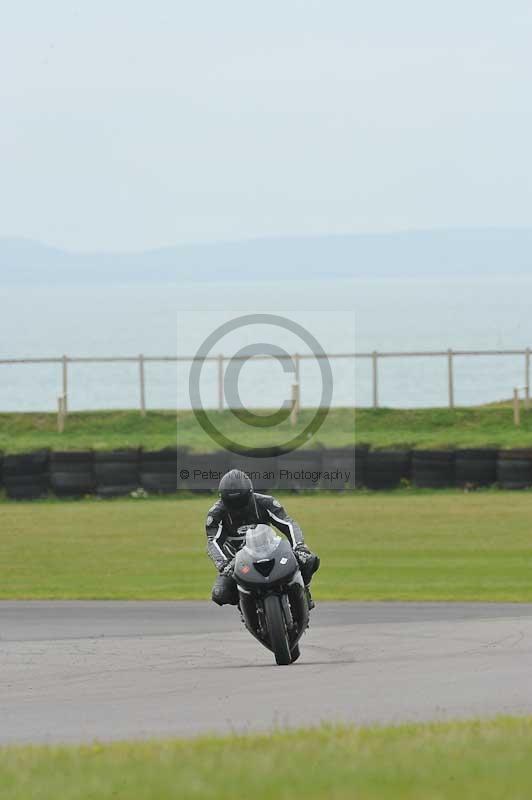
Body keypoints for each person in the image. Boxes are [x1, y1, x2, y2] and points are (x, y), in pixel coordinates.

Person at [206, 469, 320, 607]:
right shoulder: (216, 514)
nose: (237, 508)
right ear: (223, 498)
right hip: (236, 562)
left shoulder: (266, 502)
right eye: (231, 503)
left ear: (250, 494)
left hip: (269, 549)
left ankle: (304, 590)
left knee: (309, 560)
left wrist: (299, 545)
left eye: (241, 501)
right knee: (220, 594)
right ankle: (245, 605)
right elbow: (213, 541)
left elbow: (288, 524)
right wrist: (223, 564)